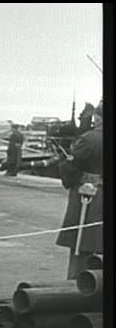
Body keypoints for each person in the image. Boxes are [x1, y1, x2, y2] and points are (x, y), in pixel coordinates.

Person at [55, 101, 103, 280]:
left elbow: (73, 166)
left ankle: (79, 282)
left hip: (90, 196)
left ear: (97, 117)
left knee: (82, 243)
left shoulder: (89, 139)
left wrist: (65, 166)